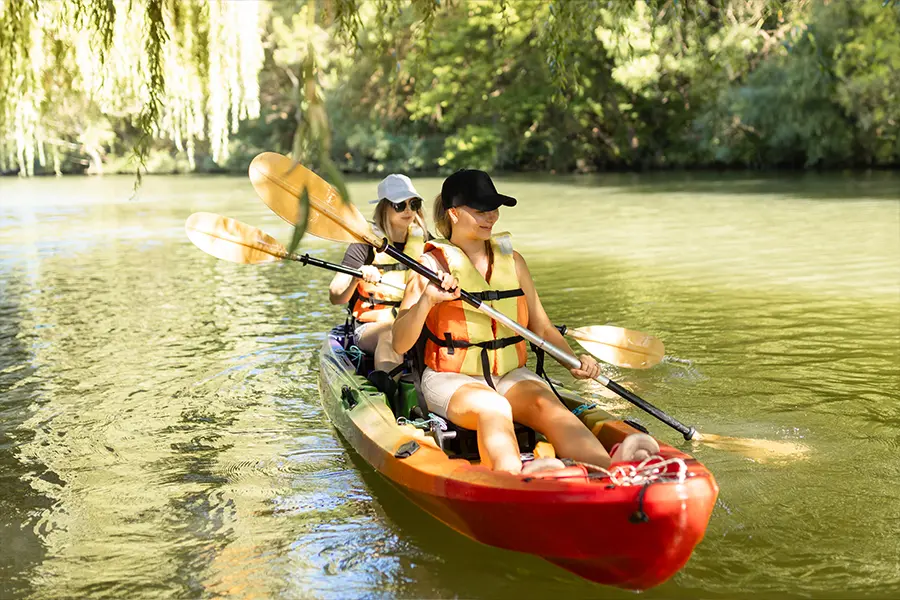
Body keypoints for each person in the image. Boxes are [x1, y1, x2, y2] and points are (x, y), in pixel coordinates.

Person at [392, 169, 658, 474]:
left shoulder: (513, 261)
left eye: (494, 209)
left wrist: (573, 362)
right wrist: (428, 300)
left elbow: (542, 327)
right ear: (453, 213)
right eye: (481, 210)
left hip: (509, 374)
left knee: (549, 406)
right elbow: (399, 342)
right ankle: (514, 478)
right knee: (494, 408)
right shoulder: (428, 265)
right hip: (452, 380)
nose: (490, 217)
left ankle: (609, 472)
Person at [329, 174, 430, 376]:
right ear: (384, 207)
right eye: (400, 205)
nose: (409, 210)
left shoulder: (427, 241)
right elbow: (336, 296)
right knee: (389, 335)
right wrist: (357, 276)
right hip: (371, 327)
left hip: (412, 322)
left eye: (414, 204)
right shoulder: (363, 244)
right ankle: (387, 390)